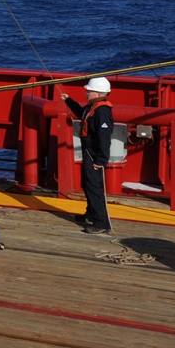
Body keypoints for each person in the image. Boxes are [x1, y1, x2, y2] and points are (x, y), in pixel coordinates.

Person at [61, 77, 114, 234]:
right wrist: (68, 101)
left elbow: (104, 138)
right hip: (88, 151)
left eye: (89, 91)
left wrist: (101, 160)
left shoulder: (102, 112)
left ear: (98, 93)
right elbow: (81, 113)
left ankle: (101, 223)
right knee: (86, 183)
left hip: (94, 154)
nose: (86, 93)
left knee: (93, 186)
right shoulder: (93, 108)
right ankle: (91, 212)